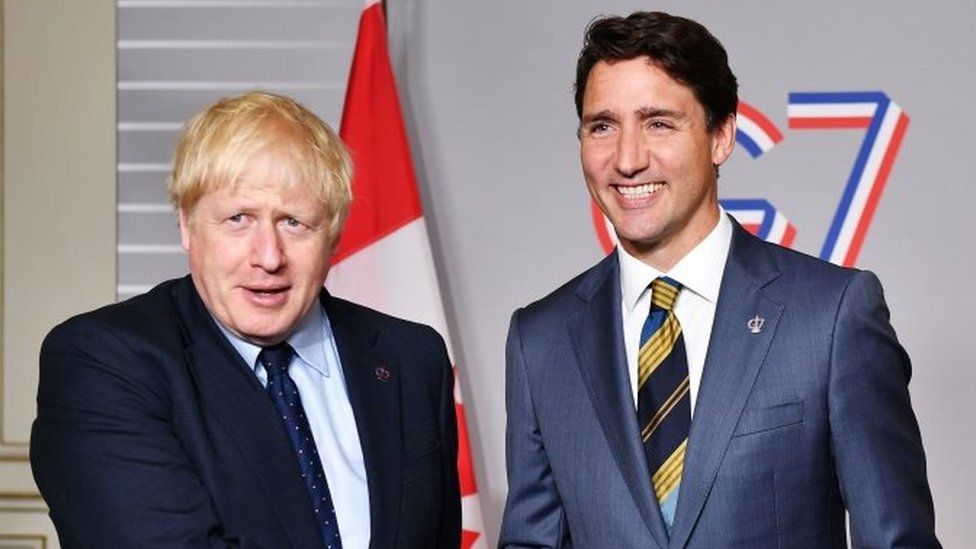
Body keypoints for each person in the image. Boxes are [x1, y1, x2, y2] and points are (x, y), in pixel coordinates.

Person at [499, 11, 939, 548]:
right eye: (602, 126)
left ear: (722, 136)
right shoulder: (540, 341)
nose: (628, 158)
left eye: (658, 122)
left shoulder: (831, 315)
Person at [31, 91, 460, 548]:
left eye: (294, 222)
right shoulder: (100, 362)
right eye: (238, 219)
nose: (269, 257)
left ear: (333, 234)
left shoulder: (412, 359)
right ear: (186, 224)